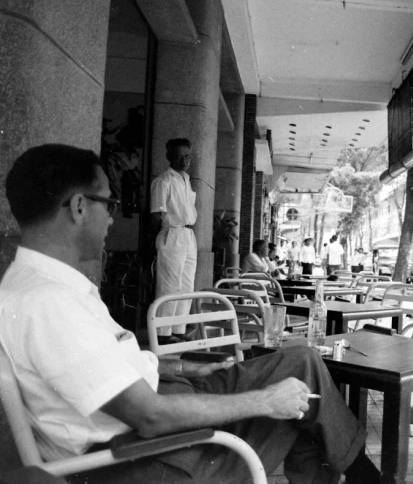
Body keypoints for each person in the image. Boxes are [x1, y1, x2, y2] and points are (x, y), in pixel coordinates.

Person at [0, 144, 376, 484]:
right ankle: (365, 476)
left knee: (302, 364)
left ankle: (359, 475)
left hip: (161, 409)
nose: (112, 219)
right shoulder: (48, 302)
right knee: (299, 398)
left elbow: (99, 369)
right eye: (109, 205)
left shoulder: (47, 286)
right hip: (148, 457)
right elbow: (149, 416)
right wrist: (265, 401)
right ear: (80, 207)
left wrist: (179, 368)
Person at [149, 138, 198, 345]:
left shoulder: (186, 180)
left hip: (188, 235)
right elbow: (155, 214)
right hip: (172, 234)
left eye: (187, 155)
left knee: (186, 285)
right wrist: (155, 242)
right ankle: (163, 332)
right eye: (178, 155)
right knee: (170, 285)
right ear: (168, 156)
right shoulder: (163, 180)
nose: (184, 159)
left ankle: (178, 328)